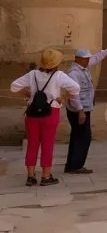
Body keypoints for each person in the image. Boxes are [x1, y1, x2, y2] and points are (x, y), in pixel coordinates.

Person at [10, 49, 82, 186]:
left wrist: (28, 95)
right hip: (51, 112)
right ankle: (46, 175)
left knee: (32, 144)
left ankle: (30, 176)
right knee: (47, 145)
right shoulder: (59, 75)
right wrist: (63, 97)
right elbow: (76, 88)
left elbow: (14, 86)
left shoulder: (32, 75)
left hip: (32, 113)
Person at [64, 44, 107, 174]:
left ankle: (72, 164)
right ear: (78, 59)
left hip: (84, 108)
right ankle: (75, 165)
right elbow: (74, 95)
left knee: (78, 136)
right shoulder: (74, 74)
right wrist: (80, 111)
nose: (88, 61)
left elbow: (96, 58)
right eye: (85, 59)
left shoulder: (83, 67)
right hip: (78, 110)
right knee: (83, 137)